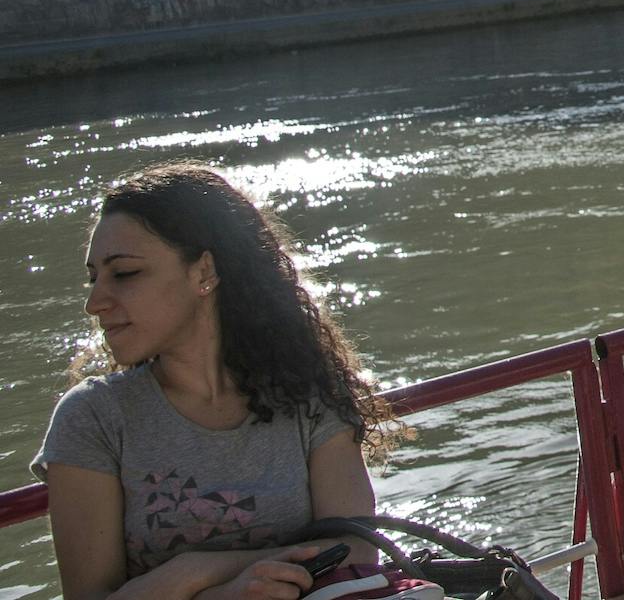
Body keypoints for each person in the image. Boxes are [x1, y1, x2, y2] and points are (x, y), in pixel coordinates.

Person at [35, 163, 391, 600]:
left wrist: (194, 574)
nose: (94, 303)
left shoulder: (310, 397)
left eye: (124, 273)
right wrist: (201, 581)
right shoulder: (92, 418)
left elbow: (356, 554)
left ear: (204, 272)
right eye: (94, 278)